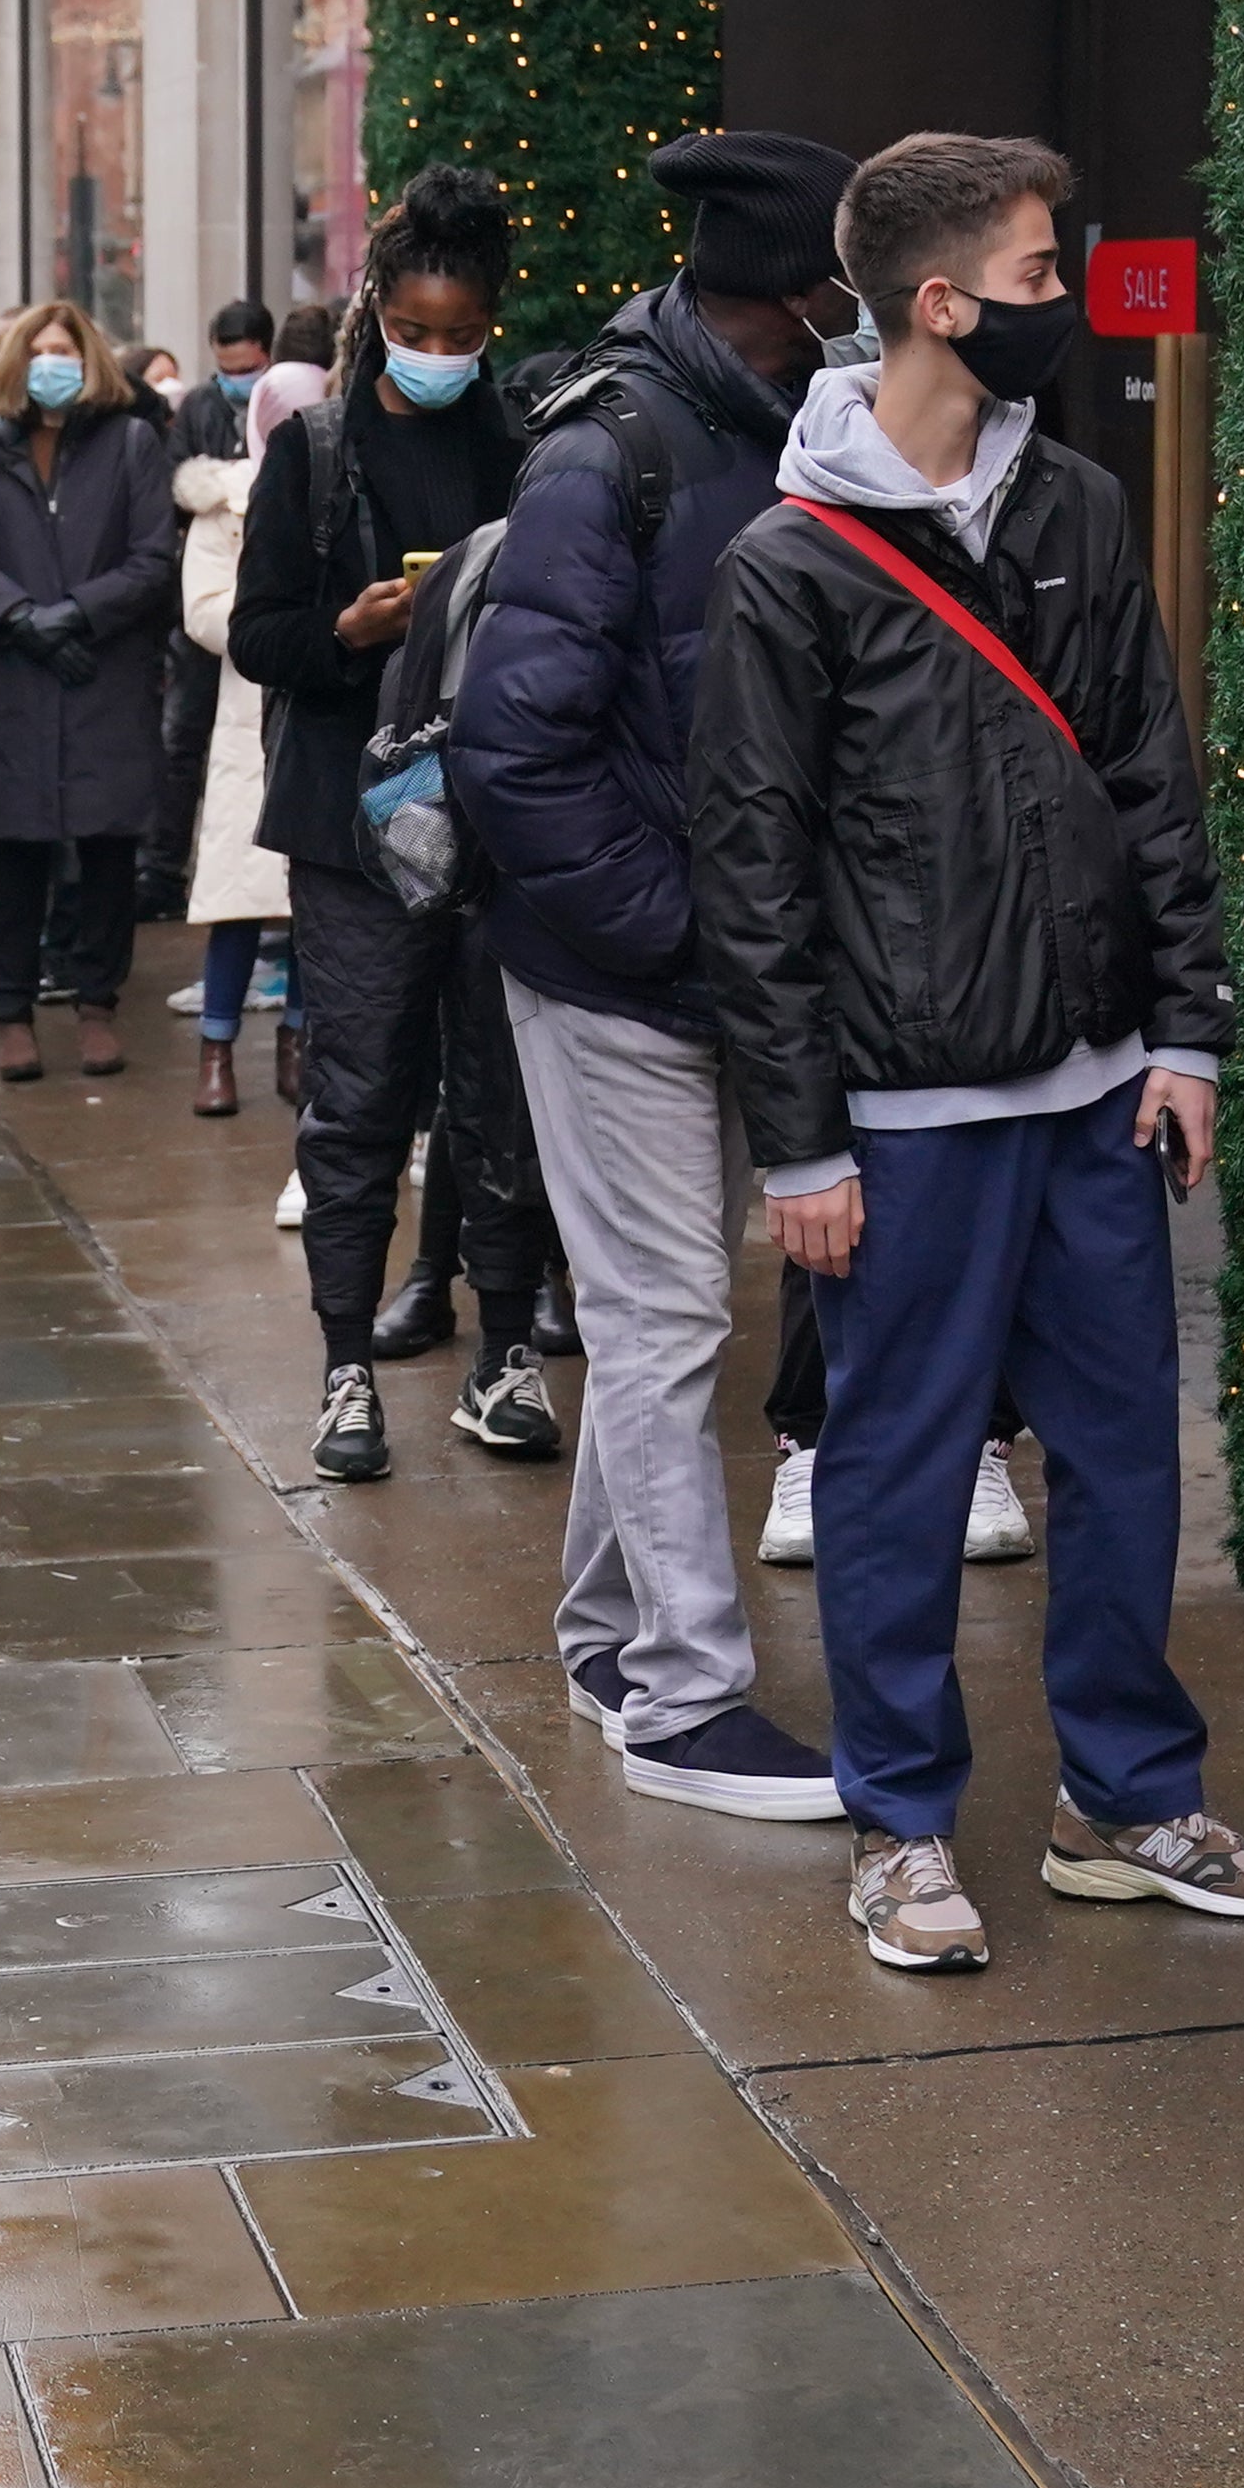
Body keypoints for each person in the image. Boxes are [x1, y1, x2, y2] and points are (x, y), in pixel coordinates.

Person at [691, 134, 1244, 1939]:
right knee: (897, 1469)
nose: (1061, 299)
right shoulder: (791, 564)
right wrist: (802, 1142)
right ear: (940, 303)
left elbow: (1151, 787)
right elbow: (755, 869)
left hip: (1097, 1088)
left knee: (1123, 1459)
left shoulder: (1077, 508)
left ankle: (1128, 1797)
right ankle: (900, 1824)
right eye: (1036, 273)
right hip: (908, 1112)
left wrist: (1188, 1036)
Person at [457, 128, 867, 1825]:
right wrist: (690, 935)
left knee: (658, 1315)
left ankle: (609, 1639)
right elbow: (516, 753)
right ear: (793, 283)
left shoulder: (765, 429)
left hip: (694, 959)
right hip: (616, 962)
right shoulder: (610, 448)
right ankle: (687, 1698)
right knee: (665, 1316)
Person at [233, 167, 554, 1480]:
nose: (436, 354)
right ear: (375, 307)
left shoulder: (529, 442)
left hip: (496, 817)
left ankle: (504, 1357)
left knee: (502, 1099)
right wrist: (348, 632)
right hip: (353, 829)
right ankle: (345, 1371)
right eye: (414, 331)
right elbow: (260, 637)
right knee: (358, 1101)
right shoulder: (315, 453)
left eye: (462, 334)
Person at [0, 302, 182, 1081]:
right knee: (15, 847)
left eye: (66, 350)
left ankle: (96, 1001)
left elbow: (152, 560)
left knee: (108, 844)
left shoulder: (131, 443)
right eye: (40, 350)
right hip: (20, 673)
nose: (52, 362)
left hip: (104, 672)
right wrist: (22, 621)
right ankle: (11, 1008)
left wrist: (77, 616)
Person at [171, 357, 311, 1119]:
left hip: (319, 699)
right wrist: (277, 632)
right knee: (238, 895)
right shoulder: (224, 503)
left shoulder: (336, 482)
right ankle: (216, 1049)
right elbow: (203, 609)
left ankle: (298, 1042)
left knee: (309, 892)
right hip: (250, 704)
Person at [175, 297, 278, 464]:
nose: (236, 378)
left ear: (268, 353)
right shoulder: (196, 406)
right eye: (226, 371)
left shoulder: (282, 402)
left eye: (246, 370)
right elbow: (177, 467)